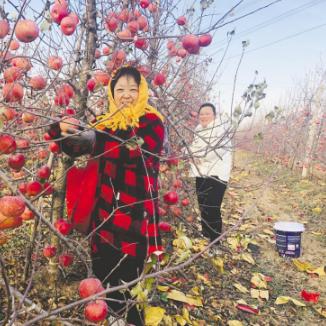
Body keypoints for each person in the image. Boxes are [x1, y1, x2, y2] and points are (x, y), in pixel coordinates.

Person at [49, 66, 164, 325]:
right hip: (103, 214)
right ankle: (112, 319)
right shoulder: (104, 123)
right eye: (120, 89)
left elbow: (132, 152)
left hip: (134, 215)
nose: (126, 95)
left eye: (132, 90)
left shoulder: (152, 123)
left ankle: (131, 319)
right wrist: (61, 133)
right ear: (112, 93)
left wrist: (94, 141)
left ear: (142, 92)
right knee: (103, 274)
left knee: (130, 279)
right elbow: (79, 148)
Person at [188, 103, 233, 245]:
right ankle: (205, 233)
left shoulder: (221, 131)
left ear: (214, 115)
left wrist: (195, 156)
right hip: (201, 173)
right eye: (201, 114)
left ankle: (215, 241)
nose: (204, 116)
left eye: (207, 113)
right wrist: (188, 154)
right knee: (203, 205)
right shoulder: (198, 130)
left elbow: (215, 152)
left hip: (217, 175)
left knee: (213, 207)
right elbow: (191, 148)